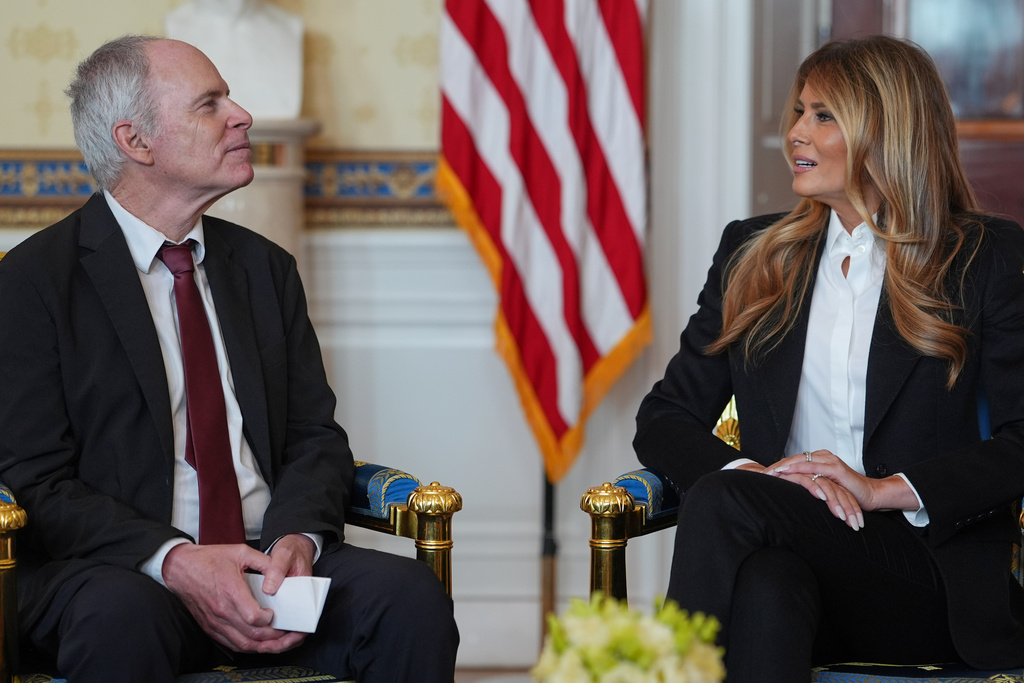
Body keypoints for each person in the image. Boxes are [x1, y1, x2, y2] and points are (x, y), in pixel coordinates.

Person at [0, 35, 458, 682]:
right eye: (209, 104)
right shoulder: (33, 283)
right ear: (136, 142)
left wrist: (297, 539)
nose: (241, 115)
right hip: (121, 572)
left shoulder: (265, 269)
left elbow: (313, 438)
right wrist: (174, 559)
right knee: (119, 616)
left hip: (268, 561)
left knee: (408, 597)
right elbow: (39, 482)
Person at [634, 35, 1024, 681]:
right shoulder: (752, 252)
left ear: (886, 129)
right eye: (797, 111)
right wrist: (758, 476)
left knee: (731, 505)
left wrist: (881, 490)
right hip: (791, 554)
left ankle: (666, 671)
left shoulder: (985, 256)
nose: (795, 133)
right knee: (763, 583)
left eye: (823, 115)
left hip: (925, 577)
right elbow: (665, 415)